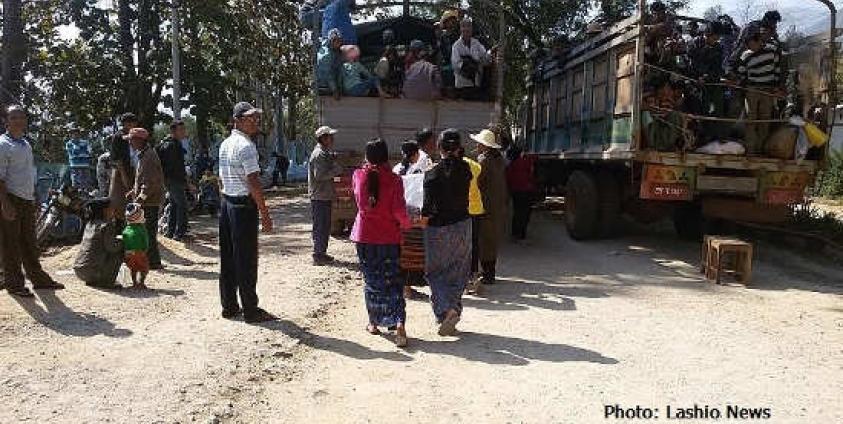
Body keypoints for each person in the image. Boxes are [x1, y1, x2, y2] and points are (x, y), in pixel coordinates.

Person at [218, 102, 275, 323]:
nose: (255, 121)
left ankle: (229, 306)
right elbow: (253, 181)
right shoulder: (247, 146)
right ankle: (251, 309)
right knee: (246, 260)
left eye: (256, 117)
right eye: (250, 118)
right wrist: (265, 213)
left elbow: (221, 177)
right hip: (242, 206)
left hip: (227, 203)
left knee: (229, 257)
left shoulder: (225, 144)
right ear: (238, 120)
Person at [351, 138, 412, 347]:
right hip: (389, 238)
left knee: (372, 280)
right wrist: (408, 224)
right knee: (393, 280)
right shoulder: (395, 180)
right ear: (386, 156)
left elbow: (361, 202)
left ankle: (374, 322)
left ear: (367, 156)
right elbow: (399, 212)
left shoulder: (358, 176)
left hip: (365, 237)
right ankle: (399, 322)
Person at [0, 105, 64, 297]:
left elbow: (28, 173)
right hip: (10, 198)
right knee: (11, 244)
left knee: (30, 242)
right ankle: (14, 285)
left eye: (21, 117)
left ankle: (38, 279)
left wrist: (34, 196)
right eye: (13, 117)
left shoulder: (25, 144)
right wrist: (5, 203)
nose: (18, 120)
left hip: (26, 199)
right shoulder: (3, 145)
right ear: (6, 121)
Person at [422, 129, 472, 336]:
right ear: (459, 148)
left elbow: (427, 208)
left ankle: (446, 310)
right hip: (463, 226)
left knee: (435, 272)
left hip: (438, 229)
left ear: (439, 147)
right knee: (458, 271)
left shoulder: (432, 173)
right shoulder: (466, 169)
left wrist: (420, 224)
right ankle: (452, 312)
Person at [737, 31, 782, 155]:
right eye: (748, 45)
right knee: (750, 119)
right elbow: (741, 73)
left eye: (752, 44)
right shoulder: (745, 55)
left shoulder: (772, 50)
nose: (750, 47)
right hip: (752, 89)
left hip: (768, 90)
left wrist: (776, 87)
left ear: (759, 41)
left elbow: (777, 69)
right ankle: (750, 150)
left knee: (765, 120)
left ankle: (761, 149)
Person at [125, 127, 165, 270]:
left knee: (148, 232)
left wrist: (139, 200)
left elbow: (149, 183)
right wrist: (133, 191)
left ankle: (153, 262)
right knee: (147, 231)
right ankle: (152, 260)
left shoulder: (148, 157)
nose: (130, 143)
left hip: (150, 202)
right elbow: (143, 179)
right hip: (148, 200)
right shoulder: (144, 155)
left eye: (131, 140)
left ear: (139, 140)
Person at [472, 129, 508, 286]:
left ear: (484, 146)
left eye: (479, 143)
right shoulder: (499, 160)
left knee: (484, 240)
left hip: (486, 205)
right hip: (498, 205)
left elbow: (477, 182)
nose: (477, 146)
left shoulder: (484, 161)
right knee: (492, 239)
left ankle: (488, 274)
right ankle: (489, 271)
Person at [309, 126, 344, 265]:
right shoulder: (319, 155)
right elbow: (319, 175)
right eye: (330, 136)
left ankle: (321, 253)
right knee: (321, 226)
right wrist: (336, 170)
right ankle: (318, 254)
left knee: (325, 225)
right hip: (320, 196)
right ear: (323, 138)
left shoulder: (324, 153)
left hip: (324, 195)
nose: (332, 138)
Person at [73, 198, 122, 289]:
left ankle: (95, 280)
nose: (114, 210)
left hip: (80, 271)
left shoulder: (89, 224)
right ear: (105, 210)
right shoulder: (106, 226)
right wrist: (124, 241)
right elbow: (112, 247)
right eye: (111, 208)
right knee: (119, 251)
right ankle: (106, 281)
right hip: (92, 272)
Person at [157, 120, 189, 241]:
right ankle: (179, 233)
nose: (183, 132)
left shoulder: (171, 144)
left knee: (174, 205)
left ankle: (171, 232)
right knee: (182, 205)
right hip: (174, 180)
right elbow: (174, 167)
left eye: (184, 129)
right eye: (181, 130)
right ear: (173, 131)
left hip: (172, 180)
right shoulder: (172, 146)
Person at [726, 10, 781, 76]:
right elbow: (743, 45)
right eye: (773, 22)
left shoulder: (771, 29)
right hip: (742, 54)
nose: (774, 24)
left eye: (775, 22)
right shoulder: (753, 26)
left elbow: (776, 41)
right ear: (767, 20)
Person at [460, 146, 484, 294]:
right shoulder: (476, 166)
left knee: (461, 245)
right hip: (476, 209)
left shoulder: (452, 167)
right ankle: (473, 274)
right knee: (474, 244)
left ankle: (463, 278)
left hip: (461, 211)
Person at [451, 18, 490, 100]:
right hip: (462, 83)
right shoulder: (456, 46)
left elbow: (485, 56)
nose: (466, 29)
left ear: (472, 29)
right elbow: (456, 64)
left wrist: (491, 53)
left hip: (477, 82)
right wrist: (468, 66)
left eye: (468, 26)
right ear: (460, 29)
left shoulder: (476, 43)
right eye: (464, 26)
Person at [108, 113, 138, 219]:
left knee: (133, 198)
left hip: (134, 170)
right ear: (124, 124)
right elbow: (117, 159)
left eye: (133, 123)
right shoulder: (118, 137)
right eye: (128, 123)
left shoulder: (136, 135)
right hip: (120, 171)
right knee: (118, 199)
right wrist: (123, 175)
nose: (131, 125)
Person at [506, 146, 536, 241]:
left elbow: (508, 179)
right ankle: (522, 233)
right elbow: (531, 175)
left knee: (517, 211)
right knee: (525, 212)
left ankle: (515, 232)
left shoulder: (511, 165)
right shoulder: (527, 162)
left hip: (516, 192)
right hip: (527, 191)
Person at [122, 203, 150, 289]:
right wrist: (145, 249)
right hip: (139, 252)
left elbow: (123, 240)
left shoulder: (126, 229)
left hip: (128, 253)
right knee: (144, 268)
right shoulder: (142, 229)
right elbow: (145, 241)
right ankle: (141, 282)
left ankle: (134, 283)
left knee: (133, 268)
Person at [437, 10, 461, 97]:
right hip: (447, 62)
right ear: (446, 23)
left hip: (457, 61)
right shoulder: (443, 37)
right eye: (450, 20)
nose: (452, 22)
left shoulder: (458, 35)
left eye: (453, 20)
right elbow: (442, 51)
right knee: (446, 72)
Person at [317, 29, 345, 99]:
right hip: (323, 86)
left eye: (340, 41)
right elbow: (328, 74)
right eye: (337, 41)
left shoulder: (330, 49)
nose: (340, 44)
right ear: (331, 41)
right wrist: (334, 90)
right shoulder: (327, 56)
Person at [65, 127, 95, 191]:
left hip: (85, 165)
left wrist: (83, 152)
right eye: (73, 133)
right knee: (75, 184)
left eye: (77, 133)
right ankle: (77, 194)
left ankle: (86, 194)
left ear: (79, 134)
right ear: (71, 135)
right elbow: (73, 153)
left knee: (86, 183)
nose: (75, 135)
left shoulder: (85, 142)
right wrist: (82, 150)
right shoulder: (69, 144)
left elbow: (90, 152)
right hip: (74, 165)